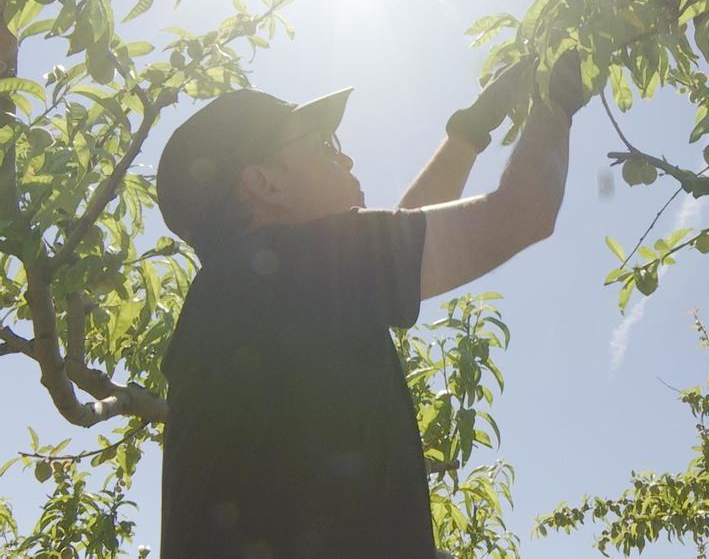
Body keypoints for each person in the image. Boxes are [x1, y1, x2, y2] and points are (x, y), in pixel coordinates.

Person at [154, 54, 588, 558]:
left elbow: (402, 229)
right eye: (323, 145)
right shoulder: (282, 274)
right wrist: (556, 100)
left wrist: (470, 130)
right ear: (266, 183)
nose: (346, 159)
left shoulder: (257, 290)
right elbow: (523, 212)